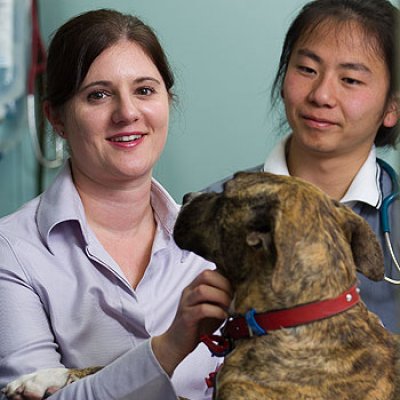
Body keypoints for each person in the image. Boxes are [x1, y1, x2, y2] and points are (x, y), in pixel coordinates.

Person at [0, 9, 232, 400]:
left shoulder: (213, 243)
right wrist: (169, 346)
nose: (127, 113)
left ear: (167, 101)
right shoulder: (12, 251)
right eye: (99, 95)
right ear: (55, 117)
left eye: (144, 90)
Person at [207, 0, 400, 333]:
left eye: (351, 80)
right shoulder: (214, 211)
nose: (322, 95)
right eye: (307, 69)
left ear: (392, 107)